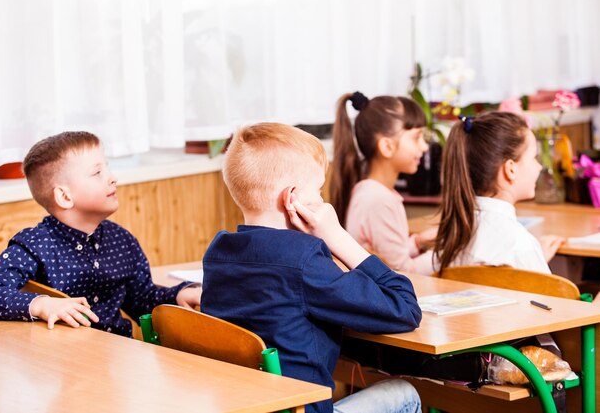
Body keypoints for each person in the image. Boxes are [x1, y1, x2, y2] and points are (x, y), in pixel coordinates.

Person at [201, 123, 422, 413]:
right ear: (291, 198)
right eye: (317, 191)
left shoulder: (217, 254)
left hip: (251, 407)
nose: (321, 200)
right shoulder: (303, 261)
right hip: (303, 409)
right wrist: (337, 237)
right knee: (404, 393)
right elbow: (405, 308)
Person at [0, 131, 201, 336]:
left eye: (108, 168)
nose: (112, 178)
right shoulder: (37, 244)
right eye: (97, 173)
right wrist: (42, 305)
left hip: (116, 360)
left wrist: (176, 295)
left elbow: (142, 299)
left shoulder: (122, 241)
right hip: (62, 365)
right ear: (64, 196)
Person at [434, 111, 565, 274]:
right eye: (534, 157)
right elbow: (547, 298)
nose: (539, 166)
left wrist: (535, 258)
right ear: (510, 169)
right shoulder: (520, 244)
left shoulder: (453, 233)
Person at [331, 91, 437, 275]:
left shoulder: (373, 192)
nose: (424, 147)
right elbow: (402, 273)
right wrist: (447, 255)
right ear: (387, 146)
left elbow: (389, 257)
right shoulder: (378, 200)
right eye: (416, 137)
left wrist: (418, 242)